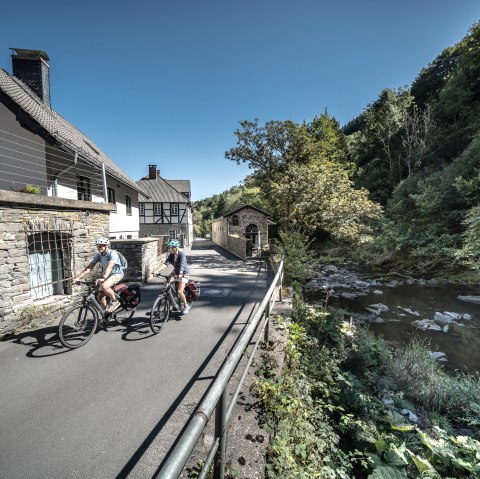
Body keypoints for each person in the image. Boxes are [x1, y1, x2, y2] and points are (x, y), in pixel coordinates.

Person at [73, 236, 125, 313]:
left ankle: (115, 301)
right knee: (100, 297)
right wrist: (78, 277)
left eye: (101, 246)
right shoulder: (99, 255)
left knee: (104, 286)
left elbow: (110, 267)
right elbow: (89, 268)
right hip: (107, 276)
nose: (99, 247)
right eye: (98, 246)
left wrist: (103, 278)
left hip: (116, 274)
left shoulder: (113, 254)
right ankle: (106, 314)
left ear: (106, 246)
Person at [156, 239, 191, 314]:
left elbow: (182, 264)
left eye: (172, 247)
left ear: (176, 247)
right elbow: (166, 264)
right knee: (166, 282)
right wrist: (157, 271)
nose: (171, 249)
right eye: (170, 247)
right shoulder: (171, 255)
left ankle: (185, 305)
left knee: (179, 291)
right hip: (175, 272)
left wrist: (181, 273)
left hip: (184, 273)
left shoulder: (181, 255)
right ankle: (173, 303)